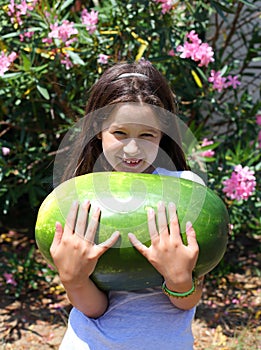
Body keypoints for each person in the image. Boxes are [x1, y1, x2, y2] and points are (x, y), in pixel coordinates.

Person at [50, 60, 206, 349]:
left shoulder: (188, 190)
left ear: (163, 134)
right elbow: (95, 309)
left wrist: (179, 278)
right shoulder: (81, 198)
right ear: (99, 129)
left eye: (147, 134)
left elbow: (187, 303)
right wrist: (74, 280)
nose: (132, 149)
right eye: (120, 133)